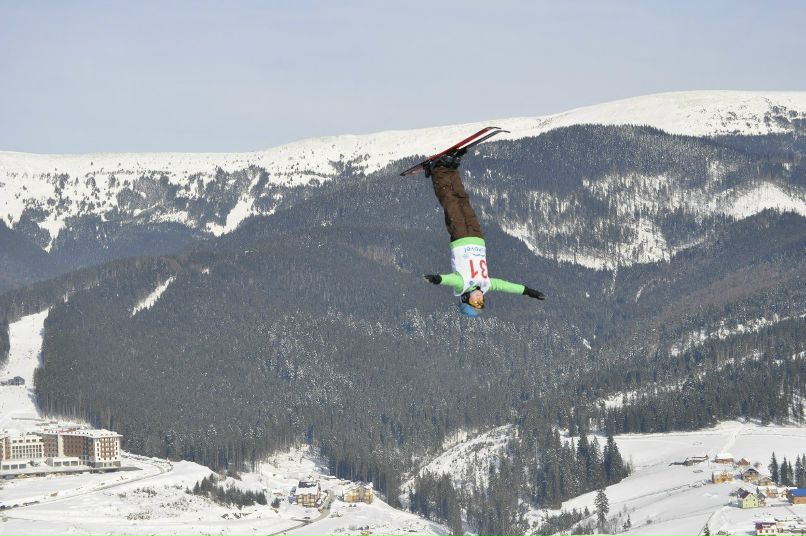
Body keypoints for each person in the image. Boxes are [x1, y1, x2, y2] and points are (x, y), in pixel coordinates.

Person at [422, 150, 545, 317]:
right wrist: (527, 291)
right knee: (463, 201)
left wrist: (437, 279)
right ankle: (451, 169)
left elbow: (450, 280)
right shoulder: (485, 285)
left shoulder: (462, 286)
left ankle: (438, 170)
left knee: (451, 203)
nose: (480, 299)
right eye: (482, 303)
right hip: (477, 238)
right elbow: (504, 286)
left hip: (460, 238)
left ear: (465, 298)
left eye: (475, 302)